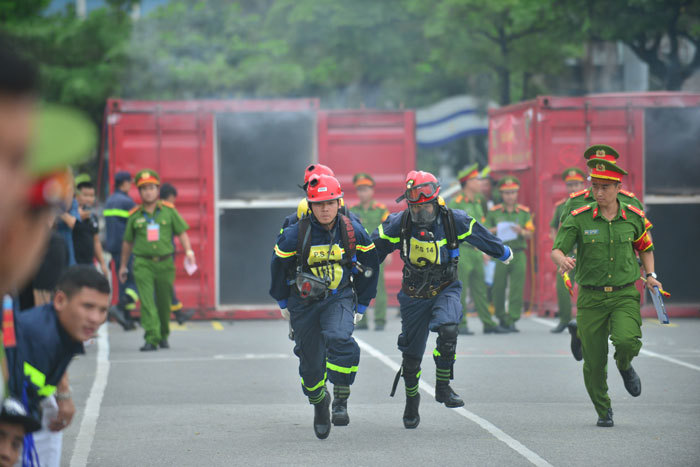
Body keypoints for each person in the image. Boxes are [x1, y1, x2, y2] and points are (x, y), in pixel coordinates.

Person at [372, 171, 512, 429]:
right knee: (412, 356)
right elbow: (372, 249)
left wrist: (503, 252)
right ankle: (411, 400)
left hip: (445, 287)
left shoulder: (454, 220)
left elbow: (481, 236)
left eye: (425, 206)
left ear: (436, 200)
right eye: (415, 207)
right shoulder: (399, 223)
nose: (421, 212)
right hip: (413, 294)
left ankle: (443, 386)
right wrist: (357, 270)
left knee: (449, 328)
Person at [552, 158, 660, 428]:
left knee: (626, 341)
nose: (598, 193)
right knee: (595, 362)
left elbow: (645, 246)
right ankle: (604, 409)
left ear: (617, 187)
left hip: (624, 294)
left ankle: (625, 365)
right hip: (591, 297)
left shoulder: (633, 216)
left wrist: (650, 276)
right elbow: (557, 248)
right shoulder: (580, 217)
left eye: (605, 187)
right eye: (595, 186)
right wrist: (562, 260)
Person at [270, 174, 379, 439]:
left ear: (339, 202)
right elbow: (277, 266)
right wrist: (283, 302)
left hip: (338, 297)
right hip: (303, 304)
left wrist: (362, 304)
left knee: (340, 338)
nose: (325, 209)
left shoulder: (352, 231)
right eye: (319, 204)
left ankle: (340, 396)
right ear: (310, 205)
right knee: (310, 367)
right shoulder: (295, 234)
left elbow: (371, 265)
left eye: (330, 203)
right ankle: (320, 403)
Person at [5, 266, 109, 467]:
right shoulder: (39, 340)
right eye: (87, 306)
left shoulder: (62, 332)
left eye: (102, 310)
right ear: (60, 300)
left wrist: (63, 394)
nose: (95, 318)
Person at [119, 170, 194, 351]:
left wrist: (189, 251)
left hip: (165, 263)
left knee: (163, 302)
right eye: (143, 188)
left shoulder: (169, 211)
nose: (148, 192)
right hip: (142, 263)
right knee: (146, 301)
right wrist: (123, 266)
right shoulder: (135, 215)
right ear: (139, 191)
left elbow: (181, 232)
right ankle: (151, 337)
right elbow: (128, 242)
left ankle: (163, 334)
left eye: (151, 188)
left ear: (157, 189)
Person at [449, 164, 508, 334]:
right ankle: (461, 324)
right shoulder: (456, 202)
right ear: (467, 182)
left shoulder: (477, 202)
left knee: (480, 289)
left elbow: (481, 228)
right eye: (476, 179)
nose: (480, 183)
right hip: (463, 250)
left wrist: (485, 249)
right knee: (461, 289)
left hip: (476, 251)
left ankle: (488, 324)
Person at [486, 176, 535, 332]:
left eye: (513, 192)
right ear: (501, 194)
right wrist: (496, 229)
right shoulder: (493, 213)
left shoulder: (524, 212)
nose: (510, 196)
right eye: (506, 193)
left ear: (517, 194)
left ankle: (512, 318)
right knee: (498, 287)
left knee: (516, 288)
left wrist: (521, 231)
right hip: (500, 253)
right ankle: (501, 317)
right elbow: (485, 231)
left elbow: (530, 233)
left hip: (518, 253)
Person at [349, 173, 390, 331]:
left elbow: (387, 232)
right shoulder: (352, 210)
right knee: (357, 286)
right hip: (359, 254)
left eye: (365, 189)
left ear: (372, 191)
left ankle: (380, 320)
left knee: (379, 287)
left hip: (376, 254)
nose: (362, 193)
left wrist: (388, 252)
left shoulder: (380, 209)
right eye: (359, 190)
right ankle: (362, 320)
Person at [549, 167, 586, 333]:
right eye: (570, 185)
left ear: (583, 184)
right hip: (567, 255)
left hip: (587, 253)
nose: (573, 188)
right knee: (562, 286)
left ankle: (585, 321)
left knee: (588, 288)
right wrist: (560, 249)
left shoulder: (591, 205)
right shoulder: (562, 206)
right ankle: (564, 319)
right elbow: (553, 230)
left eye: (576, 184)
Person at [104, 170, 138, 330]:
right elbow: (138, 224)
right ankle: (119, 308)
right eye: (129, 182)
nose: (130, 184)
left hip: (113, 247)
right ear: (124, 183)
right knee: (134, 281)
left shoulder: (110, 200)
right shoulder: (127, 202)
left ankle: (127, 320)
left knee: (123, 281)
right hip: (126, 247)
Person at [159, 182, 194, 324]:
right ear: (170, 196)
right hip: (163, 256)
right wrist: (189, 251)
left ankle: (177, 313)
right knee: (163, 286)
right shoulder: (167, 211)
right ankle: (176, 314)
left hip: (164, 255)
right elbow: (182, 233)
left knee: (166, 285)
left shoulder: (153, 210)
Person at [72, 176, 109, 277]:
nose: (89, 199)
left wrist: (102, 264)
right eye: (85, 195)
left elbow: (96, 241)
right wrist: (78, 216)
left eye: (92, 196)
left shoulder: (93, 217)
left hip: (89, 264)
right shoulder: (71, 214)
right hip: (73, 263)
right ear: (75, 196)